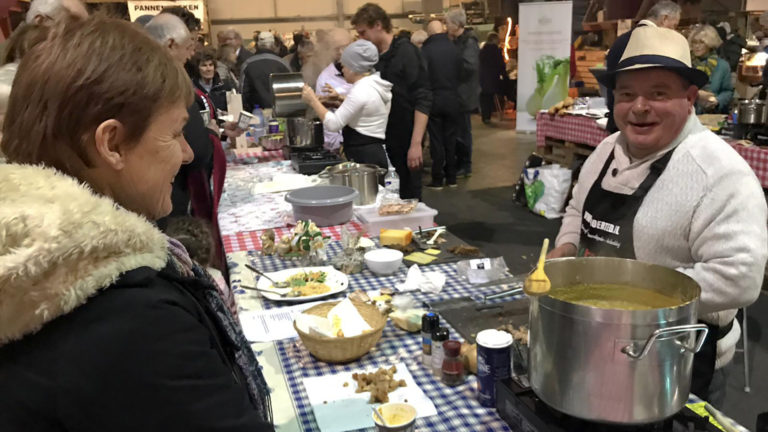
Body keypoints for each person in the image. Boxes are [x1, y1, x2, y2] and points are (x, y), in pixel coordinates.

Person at [0, 15, 273, 430]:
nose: (185, 153)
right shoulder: (131, 319)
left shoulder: (37, 261)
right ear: (111, 144)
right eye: (174, 133)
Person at [550, 26, 767, 406]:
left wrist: (624, 302)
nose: (639, 107)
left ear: (690, 98)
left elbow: (740, 279)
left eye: (658, 93)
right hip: (589, 342)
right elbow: (575, 209)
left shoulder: (720, 173)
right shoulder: (604, 151)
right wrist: (565, 248)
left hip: (675, 360)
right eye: (627, 94)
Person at [352, 2, 432, 200]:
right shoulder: (374, 58)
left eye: (363, 33)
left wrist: (415, 144)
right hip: (381, 140)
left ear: (378, 25)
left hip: (405, 138)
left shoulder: (407, 53)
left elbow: (423, 98)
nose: (361, 38)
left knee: (409, 197)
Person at [302, 39, 392, 169]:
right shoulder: (374, 84)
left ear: (354, 68)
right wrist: (338, 99)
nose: (342, 70)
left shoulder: (360, 90)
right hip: (373, 152)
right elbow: (366, 107)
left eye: (344, 65)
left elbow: (333, 124)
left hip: (364, 157)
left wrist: (313, 100)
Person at [604, 0, 680, 133]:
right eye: (674, 26)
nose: (674, 32)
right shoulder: (657, 42)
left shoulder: (621, 40)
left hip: (618, 119)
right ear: (664, 19)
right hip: (643, 124)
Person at [421, 19, 460, 189]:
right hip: (453, 98)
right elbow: (461, 72)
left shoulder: (426, 50)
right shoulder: (454, 48)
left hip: (434, 100)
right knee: (451, 139)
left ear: (429, 33)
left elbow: (422, 76)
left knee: (436, 140)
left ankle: (437, 178)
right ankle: (452, 177)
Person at [446, 8, 479, 178]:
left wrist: (452, 64)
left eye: (448, 23)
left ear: (457, 24)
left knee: (463, 131)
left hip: (464, 95)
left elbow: (469, 66)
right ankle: (460, 162)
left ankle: (466, 165)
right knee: (458, 131)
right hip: (458, 93)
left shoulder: (469, 42)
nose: (446, 26)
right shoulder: (458, 41)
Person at [314, 28, 353, 152]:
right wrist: (334, 145)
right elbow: (325, 116)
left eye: (346, 47)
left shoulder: (367, 73)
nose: (342, 52)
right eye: (337, 48)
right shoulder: (325, 78)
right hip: (340, 144)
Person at [240, 31, 291, 111]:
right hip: (281, 114)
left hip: (256, 114)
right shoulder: (283, 64)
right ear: (273, 45)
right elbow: (291, 92)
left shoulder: (247, 64)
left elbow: (242, 93)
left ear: (257, 46)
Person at [689, 24, 733, 114]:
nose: (697, 46)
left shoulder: (722, 66)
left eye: (701, 42)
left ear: (710, 44)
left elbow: (728, 91)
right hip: (688, 113)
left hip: (712, 115)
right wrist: (697, 94)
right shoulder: (687, 63)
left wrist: (717, 101)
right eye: (694, 42)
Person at [191, 48, 234, 113]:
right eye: (204, 65)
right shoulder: (192, 88)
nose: (208, 69)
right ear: (197, 69)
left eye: (211, 65)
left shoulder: (225, 86)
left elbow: (234, 109)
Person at [479, 32, 506, 124]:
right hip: (493, 77)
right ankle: (488, 116)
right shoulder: (497, 51)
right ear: (494, 40)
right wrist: (504, 75)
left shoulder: (482, 51)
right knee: (490, 98)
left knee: (484, 98)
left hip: (482, 78)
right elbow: (501, 65)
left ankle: (484, 116)